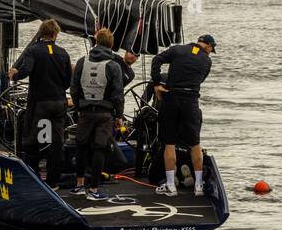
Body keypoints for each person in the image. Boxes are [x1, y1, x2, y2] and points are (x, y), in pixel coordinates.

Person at [70, 28, 136, 201]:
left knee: (82, 146)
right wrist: (119, 116)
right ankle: (93, 188)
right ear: (111, 45)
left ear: (96, 42)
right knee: (100, 148)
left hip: (85, 111)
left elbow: (74, 88)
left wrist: (78, 107)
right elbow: (117, 94)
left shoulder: (82, 62)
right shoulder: (113, 66)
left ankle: (78, 185)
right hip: (105, 114)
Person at [150, 35, 216, 197]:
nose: (210, 52)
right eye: (211, 49)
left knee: (169, 143)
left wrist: (157, 83)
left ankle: (171, 185)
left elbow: (157, 60)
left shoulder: (177, 49)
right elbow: (200, 81)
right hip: (192, 101)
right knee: (195, 144)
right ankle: (199, 186)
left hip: (171, 98)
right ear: (207, 46)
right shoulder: (207, 61)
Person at [8, 19, 71, 187]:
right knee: (56, 142)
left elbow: (26, 70)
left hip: (40, 103)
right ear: (55, 34)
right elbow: (67, 81)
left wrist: (14, 75)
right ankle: (53, 181)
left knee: (33, 140)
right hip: (58, 102)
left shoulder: (33, 51)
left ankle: (34, 177)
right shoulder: (63, 53)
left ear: (41, 33)